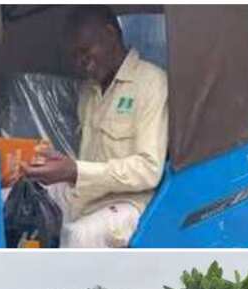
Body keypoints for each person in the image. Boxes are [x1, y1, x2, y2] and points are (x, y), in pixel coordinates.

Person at [10, 5, 168, 247]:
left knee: (78, 236)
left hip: (129, 202)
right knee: (8, 194)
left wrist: (75, 171)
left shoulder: (150, 83)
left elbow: (148, 170)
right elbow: (87, 160)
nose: (81, 62)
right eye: (74, 56)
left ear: (110, 35)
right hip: (87, 191)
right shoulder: (89, 90)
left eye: (85, 51)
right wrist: (60, 164)